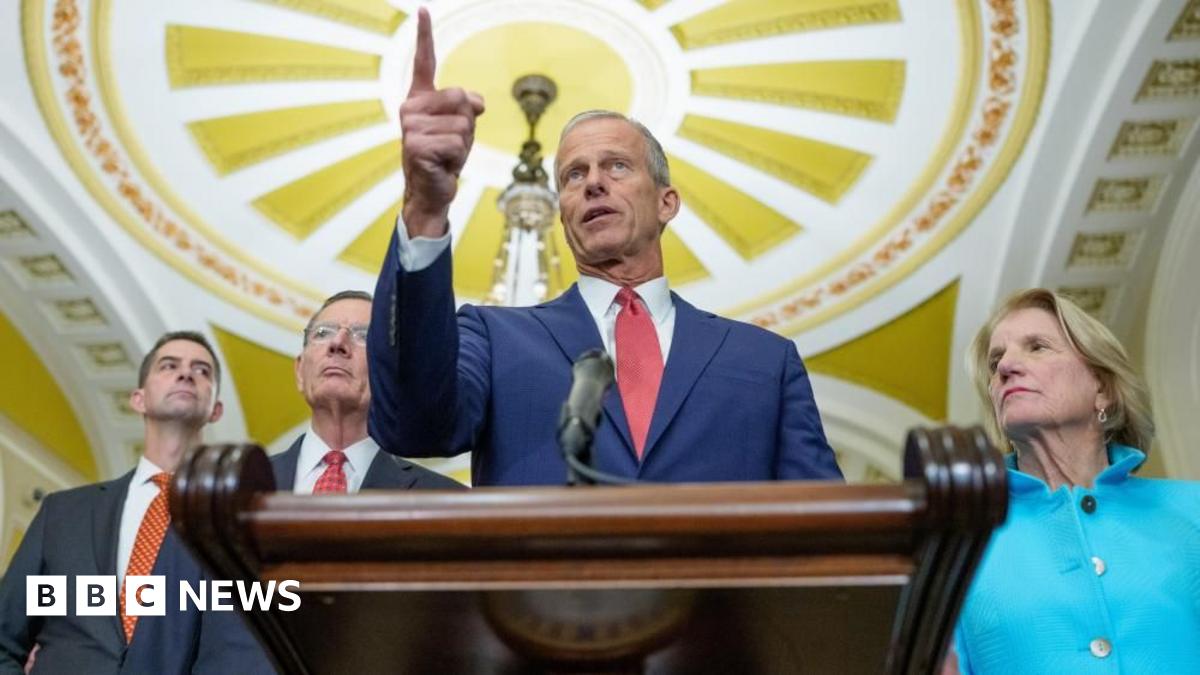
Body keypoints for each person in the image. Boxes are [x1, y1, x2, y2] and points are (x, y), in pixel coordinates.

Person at [367, 8, 841, 485]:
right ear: (562, 211)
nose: (593, 182)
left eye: (616, 166)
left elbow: (827, 526)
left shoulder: (764, 361)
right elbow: (412, 426)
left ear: (666, 202)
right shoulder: (494, 338)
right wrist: (425, 208)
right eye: (574, 174)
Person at [951, 289, 1200, 673]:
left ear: (1102, 388)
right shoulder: (958, 542)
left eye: (1037, 347)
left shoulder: (1191, 512)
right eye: (995, 360)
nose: (1005, 368)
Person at [0, 331, 269, 674]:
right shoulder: (63, 514)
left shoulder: (235, 523)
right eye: (169, 366)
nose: (186, 374)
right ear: (138, 399)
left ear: (215, 410)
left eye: (202, 370)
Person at [273, 290, 462, 492]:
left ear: (392, 378)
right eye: (322, 333)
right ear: (300, 371)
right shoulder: (244, 485)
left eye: (364, 336)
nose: (337, 343)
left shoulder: (443, 498)